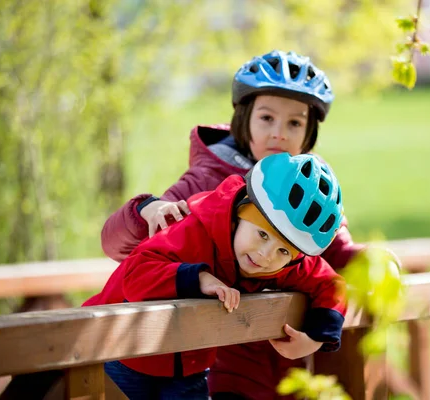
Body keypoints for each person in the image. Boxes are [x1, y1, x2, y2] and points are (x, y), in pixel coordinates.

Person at [101, 50, 366, 399]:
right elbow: (132, 249)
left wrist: (370, 264)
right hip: (211, 360)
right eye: (267, 118)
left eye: (295, 123)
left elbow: (332, 257)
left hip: (277, 357)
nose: (279, 135)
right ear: (244, 118)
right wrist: (146, 211)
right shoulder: (206, 179)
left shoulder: (306, 192)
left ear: (309, 132)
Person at [84, 153, 348, 400]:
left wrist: (314, 339)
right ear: (238, 215)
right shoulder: (193, 229)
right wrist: (199, 279)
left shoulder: (282, 264)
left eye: (282, 251)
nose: (266, 255)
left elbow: (332, 284)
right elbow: (136, 275)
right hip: (116, 352)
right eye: (262, 234)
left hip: (190, 367)